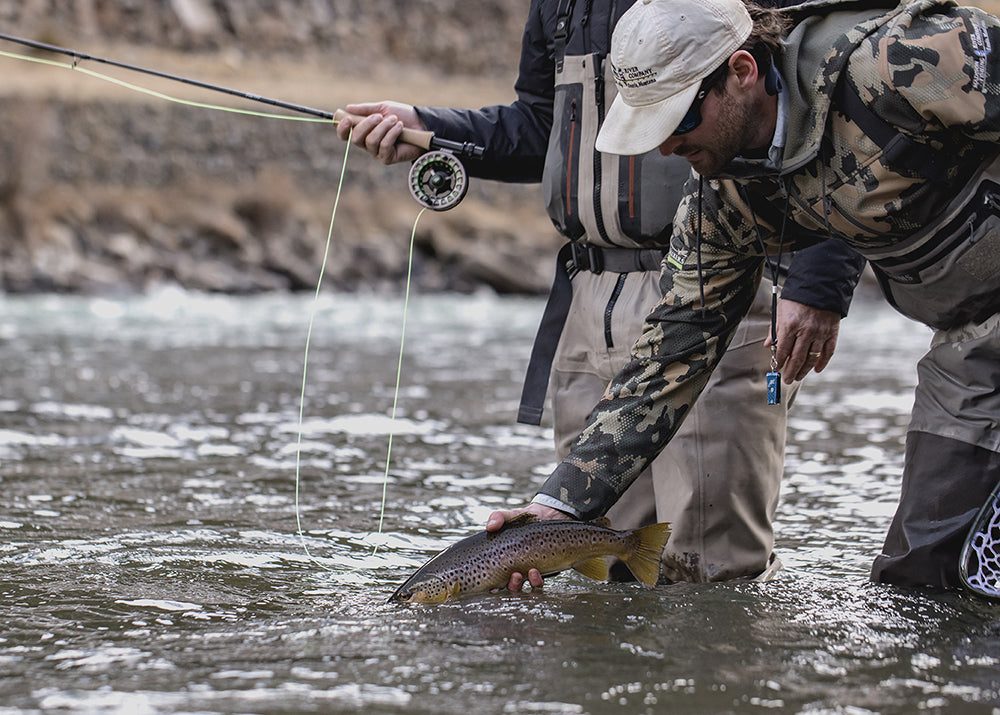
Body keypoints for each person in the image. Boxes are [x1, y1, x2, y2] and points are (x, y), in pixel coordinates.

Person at [336, 0, 865, 584]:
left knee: (713, 568)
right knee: (601, 564)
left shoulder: (714, 13)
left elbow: (813, 110)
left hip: (713, 290)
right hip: (585, 302)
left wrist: (819, 279)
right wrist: (431, 130)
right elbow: (540, 126)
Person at [492, 0, 1000, 592]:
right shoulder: (723, 204)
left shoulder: (908, 58)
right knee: (922, 584)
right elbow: (667, 364)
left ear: (740, 71)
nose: (664, 149)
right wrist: (561, 508)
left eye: (677, 119)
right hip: (969, 350)